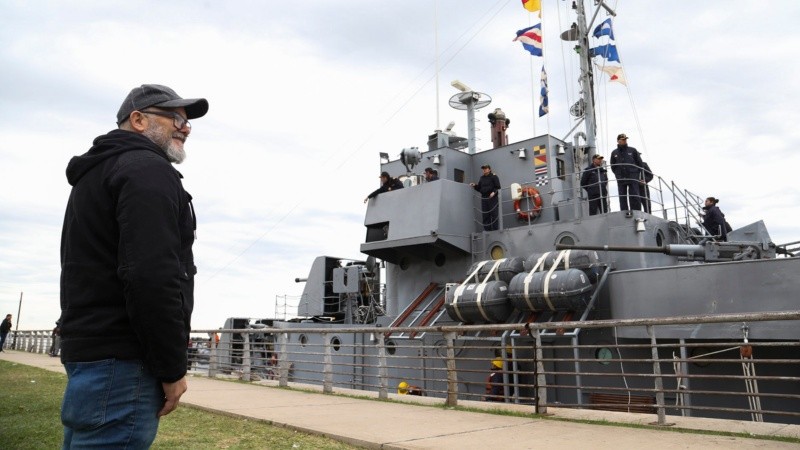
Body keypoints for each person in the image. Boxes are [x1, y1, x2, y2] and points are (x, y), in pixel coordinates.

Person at [59, 84, 208, 448]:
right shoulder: (147, 170)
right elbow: (151, 276)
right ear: (138, 120)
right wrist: (172, 367)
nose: (185, 128)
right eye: (175, 118)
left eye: (187, 122)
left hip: (91, 356)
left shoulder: (98, 172)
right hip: (125, 363)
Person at [609, 133, 643, 211]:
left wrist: (638, 175)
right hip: (621, 177)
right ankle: (624, 212)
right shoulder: (614, 153)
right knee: (622, 196)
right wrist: (618, 174)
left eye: (625, 139)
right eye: (623, 140)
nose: (625, 141)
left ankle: (636, 211)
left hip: (633, 176)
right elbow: (613, 166)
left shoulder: (633, 150)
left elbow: (640, 164)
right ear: (618, 141)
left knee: (634, 195)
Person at [470, 164, 501, 231]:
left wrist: (493, 192)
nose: (484, 170)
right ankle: (488, 231)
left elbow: (498, 187)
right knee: (485, 215)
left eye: (485, 168)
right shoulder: (482, 178)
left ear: (489, 169)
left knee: (494, 214)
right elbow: (479, 188)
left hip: (492, 198)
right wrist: (474, 185)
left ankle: (495, 230)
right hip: (484, 198)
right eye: (483, 169)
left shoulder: (494, 177)